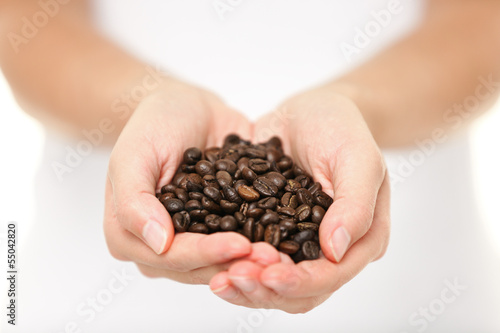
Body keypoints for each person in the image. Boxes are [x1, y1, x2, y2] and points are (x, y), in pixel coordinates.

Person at [0, 0, 499, 331]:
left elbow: (483, 25)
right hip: (90, 301)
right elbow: (25, 24)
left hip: (417, 297)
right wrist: (144, 100)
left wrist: (358, 107)